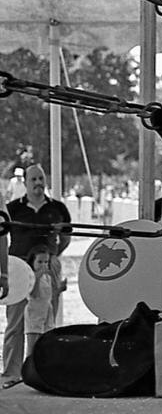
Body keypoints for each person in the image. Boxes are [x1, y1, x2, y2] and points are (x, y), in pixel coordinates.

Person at [2, 165, 71, 386]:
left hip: (47, 268)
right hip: (19, 267)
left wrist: (54, 258)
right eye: (33, 179)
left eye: (41, 178)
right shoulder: (13, 208)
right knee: (16, 322)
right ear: (26, 183)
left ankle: (43, 371)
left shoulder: (57, 208)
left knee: (46, 321)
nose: (38, 182)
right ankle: (12, 373)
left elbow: (66, 236)